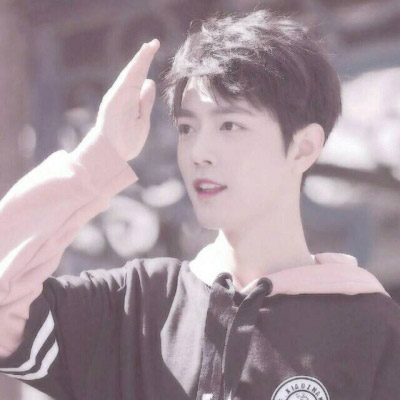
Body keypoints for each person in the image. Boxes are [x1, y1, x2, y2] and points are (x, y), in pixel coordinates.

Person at [0, 9, 399, 400]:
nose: (198, 152)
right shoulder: (134, 306)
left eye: (230, 125)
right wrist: (98, 155)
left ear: (303, 147)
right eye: (187, 127)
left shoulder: (373, 331)